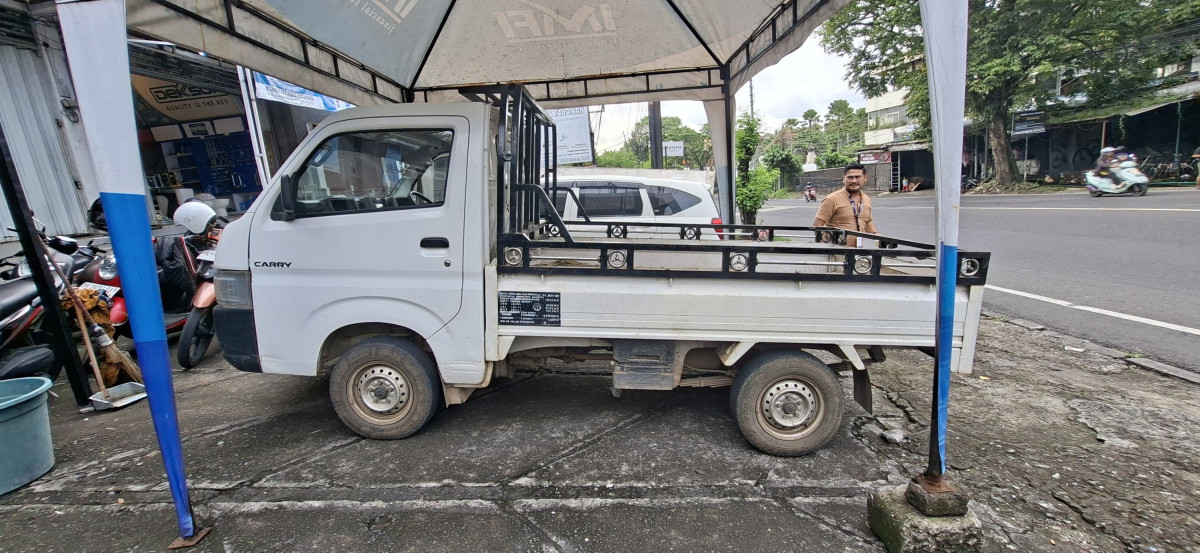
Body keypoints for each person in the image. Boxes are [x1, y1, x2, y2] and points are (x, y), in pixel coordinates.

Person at [813, 164, 879, 247]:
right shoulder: (832, 199)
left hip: (857, 250)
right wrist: (829, 245)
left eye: (858, 177)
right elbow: (817, 226)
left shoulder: (866, 199)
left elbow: (867, 221)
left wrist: (876, 234)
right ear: (844, 178)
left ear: (865, 178)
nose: (854, 181)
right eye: (850, 177)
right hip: (837, 251)